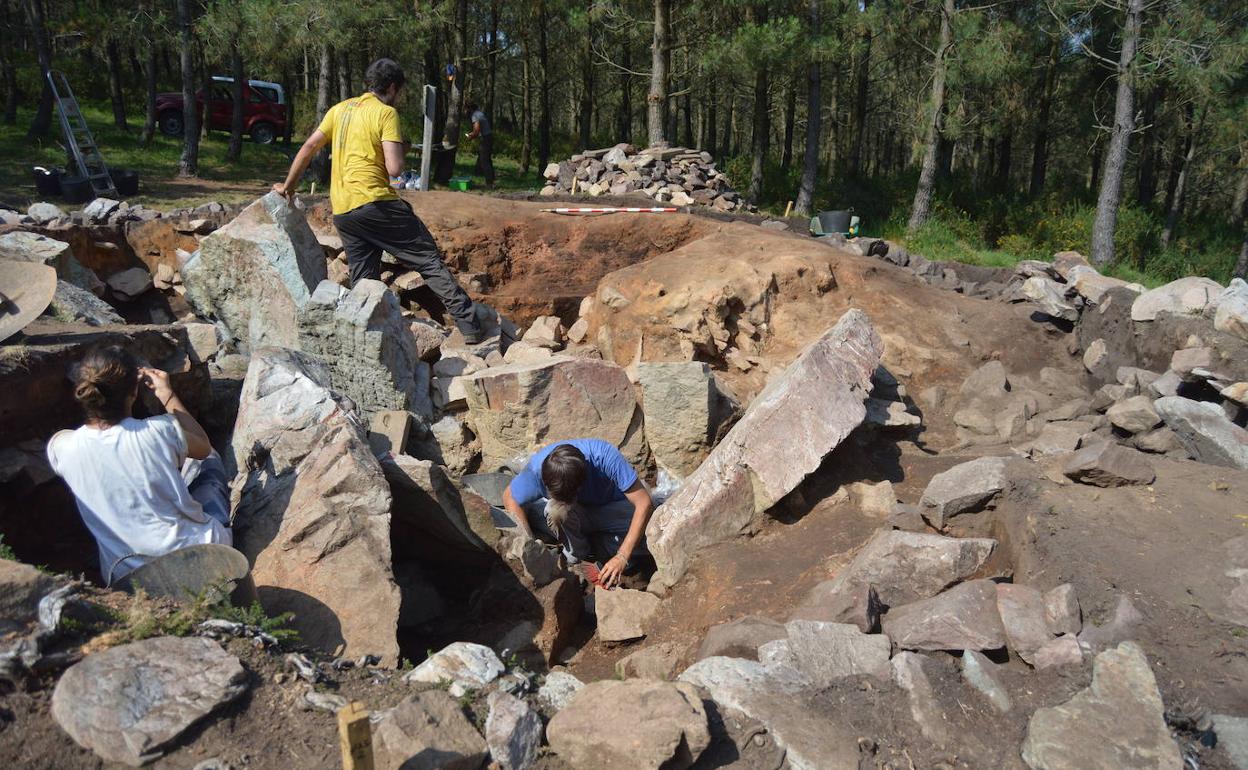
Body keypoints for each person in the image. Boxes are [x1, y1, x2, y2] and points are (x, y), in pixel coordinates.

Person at [273, 57, 485, 343]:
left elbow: (310, 146)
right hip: (377, 204)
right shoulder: (385, 114)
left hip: (345, 211)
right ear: (393, 87)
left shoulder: (339, 110)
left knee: (364, 280)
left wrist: (288, 186)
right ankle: (471, 326)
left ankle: (364, 339)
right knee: (427, 260)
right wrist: (401, 149)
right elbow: (395, 169)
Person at [46, 346, 232, 585]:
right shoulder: (161, 429)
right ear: (134, 391)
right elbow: (203, 447)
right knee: (208, 461)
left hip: (128, 577)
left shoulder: (61, 447)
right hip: (202, 555)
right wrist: (166, 393)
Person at [501, 439, 654, 588]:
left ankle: (601, 546)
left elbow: (644, 503)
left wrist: (622, 556)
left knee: (652, 534)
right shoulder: (537, 470)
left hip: (612, 507)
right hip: (577, 514)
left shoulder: (604, 456)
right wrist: (531, 548)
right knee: (555, 511)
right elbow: (509, 497)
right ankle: (577, 556)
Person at [464, 101, 495, 188]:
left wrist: (470, 136)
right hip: (488, 138)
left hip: (485, 139)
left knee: (484, 161)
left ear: (469, 109)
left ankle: (489, 183)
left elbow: (476, 131)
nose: (465, 112)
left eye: (465, 109)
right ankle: (491, 181)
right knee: (487, 160)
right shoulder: (479, 113)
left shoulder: (475, 115)